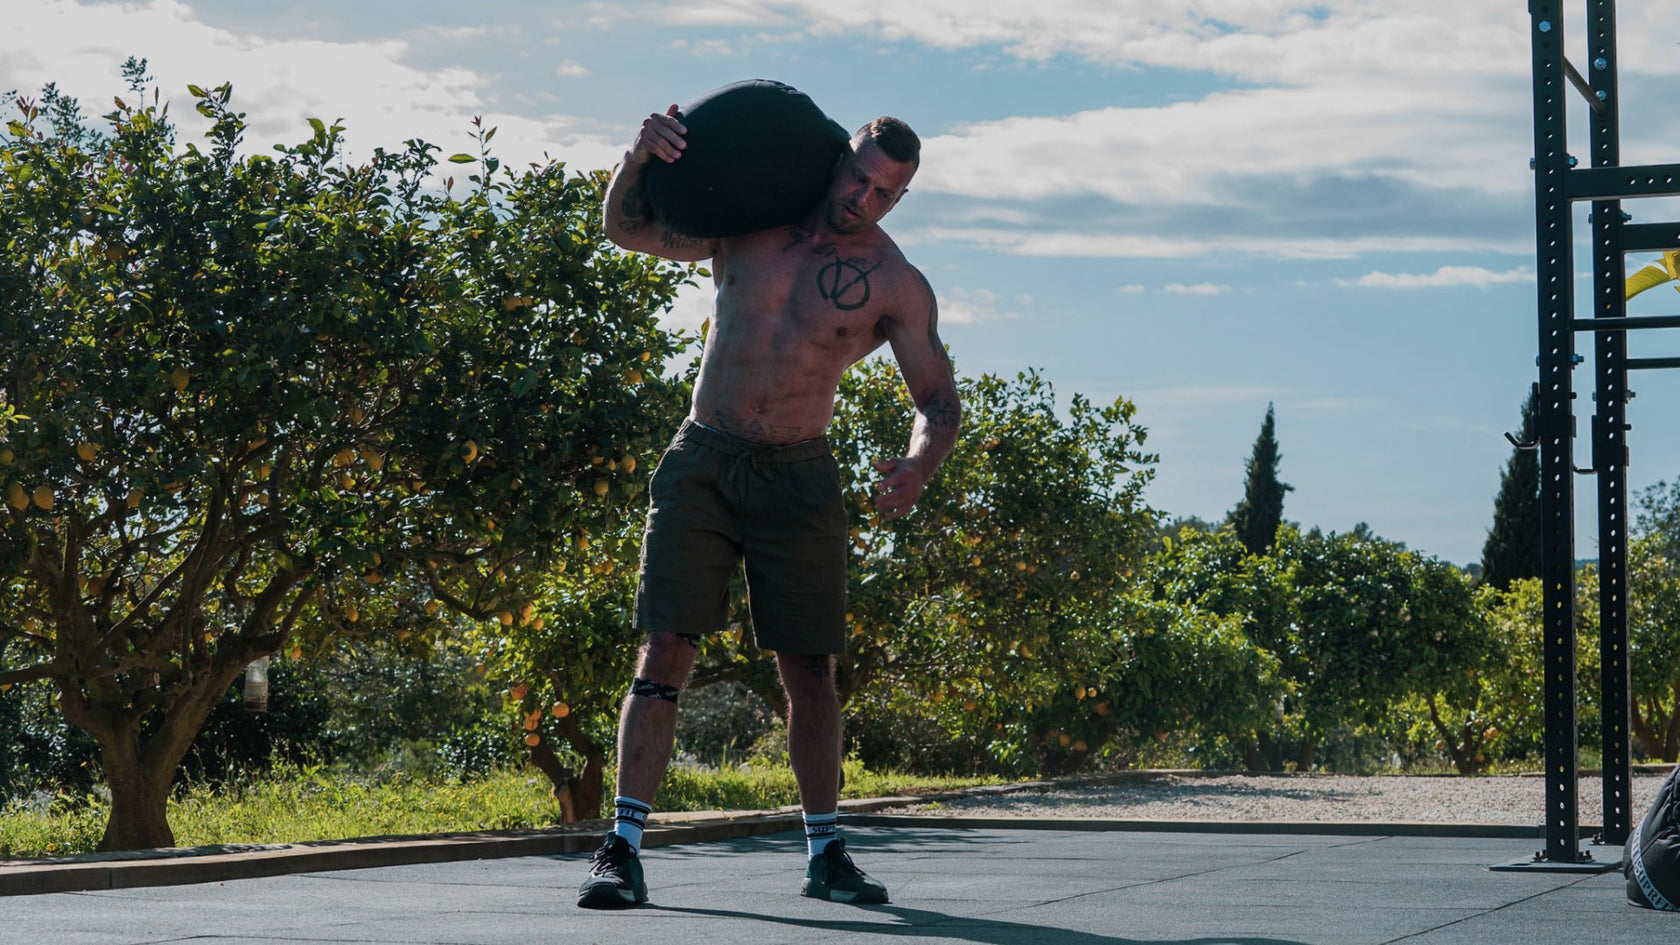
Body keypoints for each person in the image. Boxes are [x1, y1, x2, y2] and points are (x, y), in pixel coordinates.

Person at [575, 104, 960, 909]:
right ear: (839, 157)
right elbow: (628, 228)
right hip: (704, 459)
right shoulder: (749, 221)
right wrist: (637, 158)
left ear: (899, 200)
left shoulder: (896, 283)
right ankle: (622, 849)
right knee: (664, 649)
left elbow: (936, 399)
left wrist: (919, 464)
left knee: (810, 670)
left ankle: (826, 854)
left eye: (884, 193)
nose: (862, 198)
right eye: (858, 176)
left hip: (799, 474)